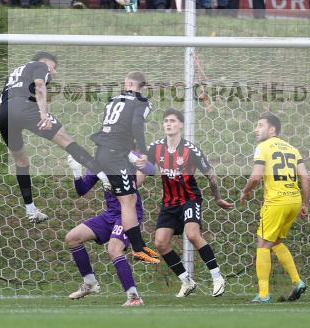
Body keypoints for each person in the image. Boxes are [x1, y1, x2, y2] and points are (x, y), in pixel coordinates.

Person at [0, 52, 111, 223]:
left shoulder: (13, 74)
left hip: (3, 114)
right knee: (65, 139)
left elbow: (1, 101)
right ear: (44, 62)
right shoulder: (39, 65)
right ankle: (103, 175)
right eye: (54, 67)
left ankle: (31, 209)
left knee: (21, 162)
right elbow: (40, 85)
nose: (54, 73)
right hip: (24, 107)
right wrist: (43, 114)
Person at [145, 109, 232, 298]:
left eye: (173, 121)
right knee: (160, 243)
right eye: (166, 121)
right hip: (169, 202)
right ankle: (187, 281)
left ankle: (217, 277)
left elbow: (211, 175)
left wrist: (217, 198)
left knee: (192, 235)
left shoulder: (190, 150)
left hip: (189, 199)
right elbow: (144, 169)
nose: (169, 124)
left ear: (181, 125)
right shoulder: (155, 147)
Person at [89, 71, 159, 264]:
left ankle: (139, 245)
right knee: (127, 202)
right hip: (114, 155)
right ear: (141, 86)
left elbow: (111, 127)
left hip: (107, 151)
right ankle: (137, 249)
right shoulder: (142, 102)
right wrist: (142, 151)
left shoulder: (112, 100)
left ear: (128, 83)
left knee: (131, 197)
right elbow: (136, 123)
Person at [240, 113, 310, 304]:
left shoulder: (263, 147)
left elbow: (255, 177)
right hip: (294, 201)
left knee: (262, 245)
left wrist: (245, 192)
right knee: (276, 242)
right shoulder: (292, 149)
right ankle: (298, 281)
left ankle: (263, 294)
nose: (256, 129)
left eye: (260, 125)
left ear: (272, 130)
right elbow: (305, 176)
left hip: (276, 201)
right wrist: (305, 203)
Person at [65, 154, 148, 306]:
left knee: (114, 249)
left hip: (128, 214)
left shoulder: (126, 156)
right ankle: (90, 283)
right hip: (110, 214)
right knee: (73, 238)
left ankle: (134, 297)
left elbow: (140, 176)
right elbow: (81, 190)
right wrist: (76, 173)